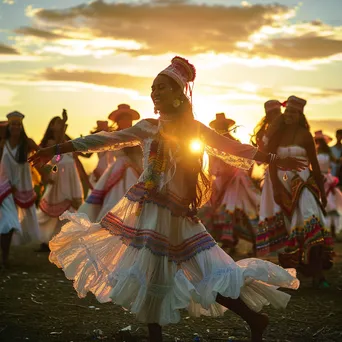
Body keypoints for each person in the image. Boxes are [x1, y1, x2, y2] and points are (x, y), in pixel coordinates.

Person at [30, 56, 306, 342]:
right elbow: (105, 139)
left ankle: (253, 318)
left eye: (162, 87)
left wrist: (273, 159)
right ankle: (165, 334)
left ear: (178, 94)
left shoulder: (195, 130)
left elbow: (234, 148)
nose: (155, 92)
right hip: (148, 207)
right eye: (153, 88)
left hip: (177, 213)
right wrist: (59, 148)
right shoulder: (148, 127)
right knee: (153, 273)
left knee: (204, 273)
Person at [266, 96, 334, 288]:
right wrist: (276, 188)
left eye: (293, 112)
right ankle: (289, 276)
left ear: (300, 115)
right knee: (287, 229)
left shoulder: (305, 135)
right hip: (282, 185)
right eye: (287, 111)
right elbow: (270, 162)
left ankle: (318, 273)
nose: (289, 115)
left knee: (310, 221)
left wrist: (321, 192)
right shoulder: (277, 135)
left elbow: (315, 166)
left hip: (303, 185)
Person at [205, 113, 260, 255]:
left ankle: (234, 240)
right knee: (233, 208)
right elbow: (212, 167)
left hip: (234, 180)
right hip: (224, 180)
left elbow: (246, 160)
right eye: (218, 127)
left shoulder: (229, 143)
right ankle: (232, 240)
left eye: (221, 126)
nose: (219, 129)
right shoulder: (215, 145)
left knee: (233, 207)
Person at [78, 104, 142, 222]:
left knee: (134, 201)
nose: (127, 121)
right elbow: (92, 148)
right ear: (118, 120)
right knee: (113, 200)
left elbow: (140, 156)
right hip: (118, 169)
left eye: (129, 119)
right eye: (124, 118)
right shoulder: (112, 136)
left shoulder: (136, 136)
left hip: (133, 171)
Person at [36, 110, 84, 252]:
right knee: (52, 211)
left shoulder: (67, 142)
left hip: (70, 177)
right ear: (52, 127)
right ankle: (46, 240)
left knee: (68, 210)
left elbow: (79, 154)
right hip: (59, 177)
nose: (60, 125)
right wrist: (64, 125)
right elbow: (57, 156)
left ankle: (64, 241)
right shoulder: (51, 142)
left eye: (61, 123)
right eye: (58, 123)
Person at [0, 111, 40, 266]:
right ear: (9, 127)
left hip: (21, 186)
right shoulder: (3, 144)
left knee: (7, 222)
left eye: (18, 124)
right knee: (9, 221)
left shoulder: (27, 143)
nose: (16, 127)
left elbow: (45, 156)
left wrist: (55, 166)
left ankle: (5, 256)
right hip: (4, 186)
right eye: (13, 124)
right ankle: (4, 258)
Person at [254, 100, 288, 257]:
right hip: (273, 175)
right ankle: (283, 248)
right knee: (276, 208)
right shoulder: (264, 133)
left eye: (277, 112)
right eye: (271, 113)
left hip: (292, 172)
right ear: (267, 115)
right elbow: (260, 160)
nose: (275, 116)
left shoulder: (289, 127)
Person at [314, 131, 342, 236]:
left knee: (328, 204)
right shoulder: (325, 153)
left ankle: (328, 228)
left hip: (323, 178)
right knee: (328, 204)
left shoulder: (318, 153)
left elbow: (337, 161)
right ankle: (328, 229)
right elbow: (337, 161)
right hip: (323, 178)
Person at [88, 120, 116, 186]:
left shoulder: (113, 139)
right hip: (101, 168)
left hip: (112, 166)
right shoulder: (96, 142)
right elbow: (88, 155)